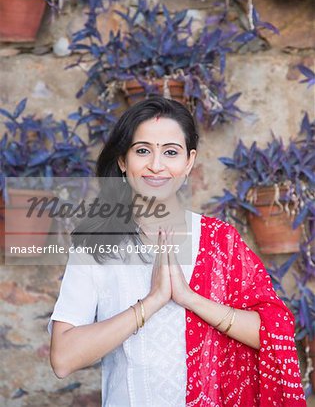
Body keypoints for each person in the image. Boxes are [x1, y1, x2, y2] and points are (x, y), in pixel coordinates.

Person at [48, 96, 307, 407]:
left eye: (170, 152)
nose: (156, 165)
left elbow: (273, 334)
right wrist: (152, 301)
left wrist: (189, 298)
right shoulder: (96, 246)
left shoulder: (219, 240)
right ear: (122, 160)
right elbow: (63, 359)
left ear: (189, 162)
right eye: (142, 150)